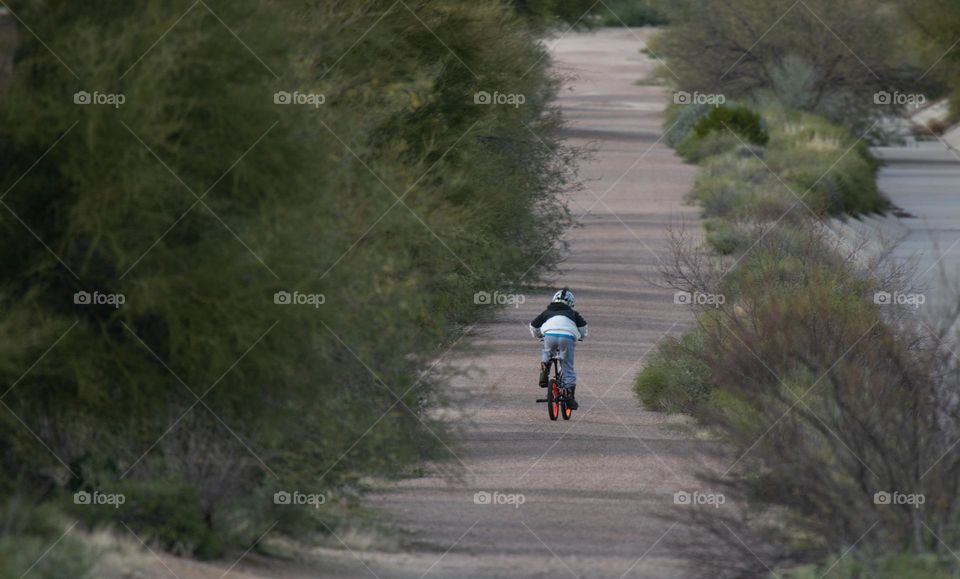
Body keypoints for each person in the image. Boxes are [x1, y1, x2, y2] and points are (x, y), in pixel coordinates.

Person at [529, 288, 587, 409]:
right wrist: (580, 337)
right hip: (567, 337)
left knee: (547, 351)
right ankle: (570, 398)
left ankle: (545, 367)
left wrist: (539, 335)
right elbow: (583, 329)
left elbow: (533, 326)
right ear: (571, 303)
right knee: (568, 367)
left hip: (549, 336)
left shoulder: (546, 312)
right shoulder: (573, 314)